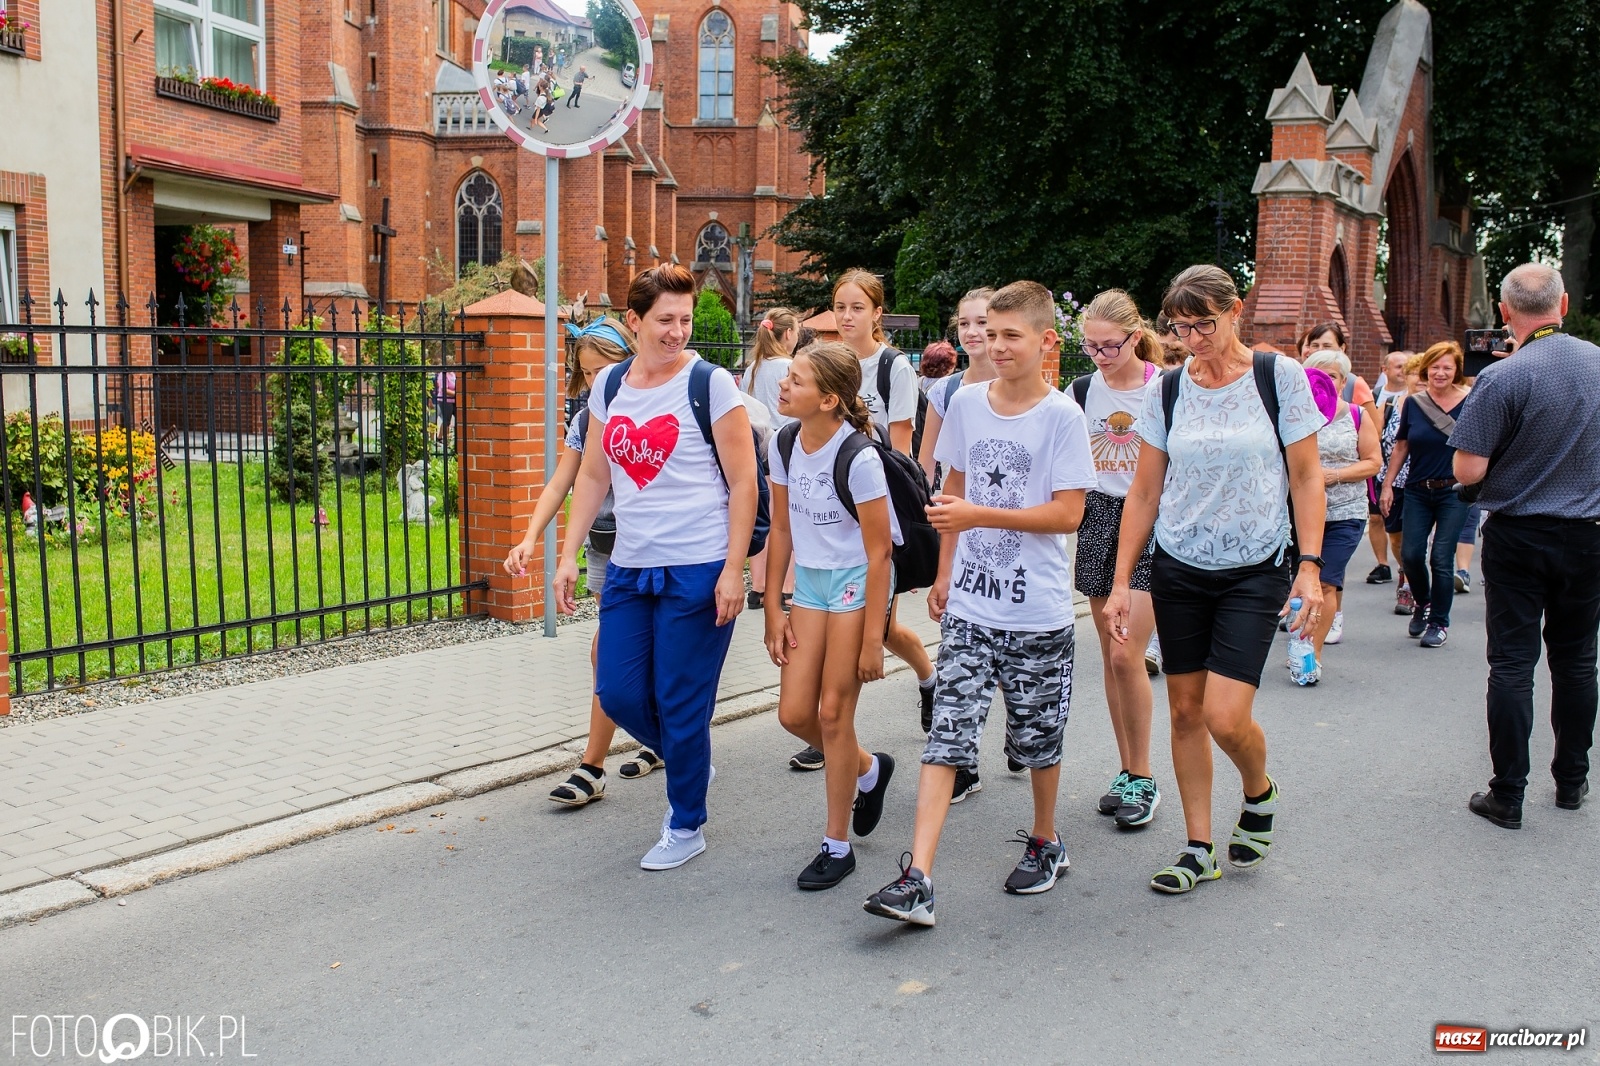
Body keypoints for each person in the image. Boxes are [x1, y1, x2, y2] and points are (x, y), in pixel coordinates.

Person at [863, 280, 1097, 926]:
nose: (995, 347)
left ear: (1047, 342)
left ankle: (1047, 839)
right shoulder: (966, 405)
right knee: (947, 738)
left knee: (1037, 739)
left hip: (1037, 612)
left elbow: (1068, 513)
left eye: (1010, 335)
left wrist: (977, 514)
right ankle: (919, 878)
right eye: (989, 334)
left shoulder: (1062, 418)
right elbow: (951, 498)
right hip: (970, 606)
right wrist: (945, 574)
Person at [1106, 264, 1326, 895]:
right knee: (1183, 711)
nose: (1194, 337)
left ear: (1236, 309)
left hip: (1256, 567)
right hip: (1179, 564)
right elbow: (1144, 491)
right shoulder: (1166, 390)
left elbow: (1307, 476)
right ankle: (1197, 845)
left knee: (1225, 717)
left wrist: (1309, 567)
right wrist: (1123, 581)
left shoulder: (1276, 376)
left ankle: (1258, 791)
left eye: (1204, 323)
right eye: (1181, 327)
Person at [555, 264, 759, 870]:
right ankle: (688, 754)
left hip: (697, 565)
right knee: (617, 690)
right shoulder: (610, 386)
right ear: (633, 321)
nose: (676, 332)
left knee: (678, 696)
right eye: (664, 320)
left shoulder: (711, 383)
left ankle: (686, 823)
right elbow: (593, 475)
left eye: (685, 319)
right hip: (630, 566)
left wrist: (733, 569)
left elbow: (745, 481)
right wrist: (567, 554)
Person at [1451, 263, 1600, 829]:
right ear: (1563, 307)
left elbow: (1469, 470)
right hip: (1589, 533)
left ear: (1506, 313)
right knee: (1578, 660)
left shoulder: (1503, 377)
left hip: (1519, 533)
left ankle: (1508, 793)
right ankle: (1572, 781)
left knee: (1512, 664)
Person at [503, 318, 663, 805]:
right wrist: (531, 537)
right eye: (586, 373)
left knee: (609, 653)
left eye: (603, 369)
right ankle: (650, 740)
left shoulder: (660, 402)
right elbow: (562, 483)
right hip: (605, 545)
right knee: (618, 653)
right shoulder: (584, 419)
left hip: (658, 548)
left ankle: (595, 764)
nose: (595, 382)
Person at [764, 342, 901, 889]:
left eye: (795, 380)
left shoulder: (859, 457)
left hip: (852, 587)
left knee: (832, 716)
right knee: (794, 714)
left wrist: (873, 640)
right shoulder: (784, 442)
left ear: (828, 399)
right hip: (810, 588)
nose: (783, 386)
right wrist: (773, 606)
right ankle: (868, 769)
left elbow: (879, 554)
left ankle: (836, 844)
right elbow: (779, 530)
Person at [795, 269, 935, 774]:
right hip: (832, 514)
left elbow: (899, 448)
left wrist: (891, 520)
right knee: (880, 627)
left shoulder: (892, 366)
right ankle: (831, 729)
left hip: (873, 508)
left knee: (881, 628)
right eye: (841, 306)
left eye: (858, 307)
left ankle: (922, 680)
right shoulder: (829, 363)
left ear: (878, 312)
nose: (848, 316)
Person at [1068, 289, 1164, 827]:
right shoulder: (1081, 390)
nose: (1101, 355)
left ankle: (1144, 776)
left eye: (1111, 345)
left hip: (1150, 515)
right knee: (1110, 656)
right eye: (1092, 346)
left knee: (1128, 653)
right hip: (1099, 516)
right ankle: (1127, 770)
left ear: (1136, 336)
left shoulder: (1163, 387)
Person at [1379, 341, 1471, 649]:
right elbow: (1402, 445)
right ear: (1426, 369)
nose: (1440, 373)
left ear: (1457, 370)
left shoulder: (1470, 401)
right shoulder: (1414, 403)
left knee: (1441, 558)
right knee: (1412, 554)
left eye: (1447, 367)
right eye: (1435, 367)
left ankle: (1438, 622)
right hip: (1418, 489)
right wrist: (1388, 485)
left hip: (1454, 492)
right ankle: (1423, 602)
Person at [1299, 354, 1381, 678]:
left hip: (1345, 512)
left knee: (1326, 583)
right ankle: (1300, 639)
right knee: (1301, 582)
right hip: (1302, 513)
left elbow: (1373, 462)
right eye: (1318, 375)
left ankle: (1311, 654)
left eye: (1332, 376)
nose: (1326, 381)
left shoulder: (1358, 416)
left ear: (1343, 382)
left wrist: (1333, 475)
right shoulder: (1295, 418)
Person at [742, 307, 799, 612]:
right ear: (788, 333)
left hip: (755, 448)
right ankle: (787, 590)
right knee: (786, 520)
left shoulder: (752, 368)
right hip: (784, 446)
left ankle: (758, 587)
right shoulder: (789, 367)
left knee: (760, 516)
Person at [918, 288, 997, 487]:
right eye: (964, 323)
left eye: (982, 322)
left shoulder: (1019, 389)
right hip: (954, 508)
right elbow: (925, 466)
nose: (971, 332)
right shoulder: (944, 391)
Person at [1364, 350, 1412, 583]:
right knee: (1375, 519)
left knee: (1400, 529)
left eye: (1407, 366)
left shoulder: (1414, 395)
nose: (1403, 371)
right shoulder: (1374, 396)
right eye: (1398, 366)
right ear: (1385, 370)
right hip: (1377, 468)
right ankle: (1383, 564)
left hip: (1405, 473)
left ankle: (1409, 571)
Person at [1379, 357, 1420, 615]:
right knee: (1395, 536)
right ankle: (1404, 570)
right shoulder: (1391, 404)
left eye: (1420, 373)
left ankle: (1410, 586)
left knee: (1415, 540)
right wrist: (1385, 482)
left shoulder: (1435, 406)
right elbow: (1379, 440)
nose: (1418, 378)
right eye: (1412, 373)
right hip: (1392, 481)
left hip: (1421, 483)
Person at [1298, 321, 1378, 423]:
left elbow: (1375, 428)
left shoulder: (1353, 384)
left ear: (1342, 348)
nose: (1320, 350)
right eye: (1315, 345)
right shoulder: (1299, 379)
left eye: (1327, 346)